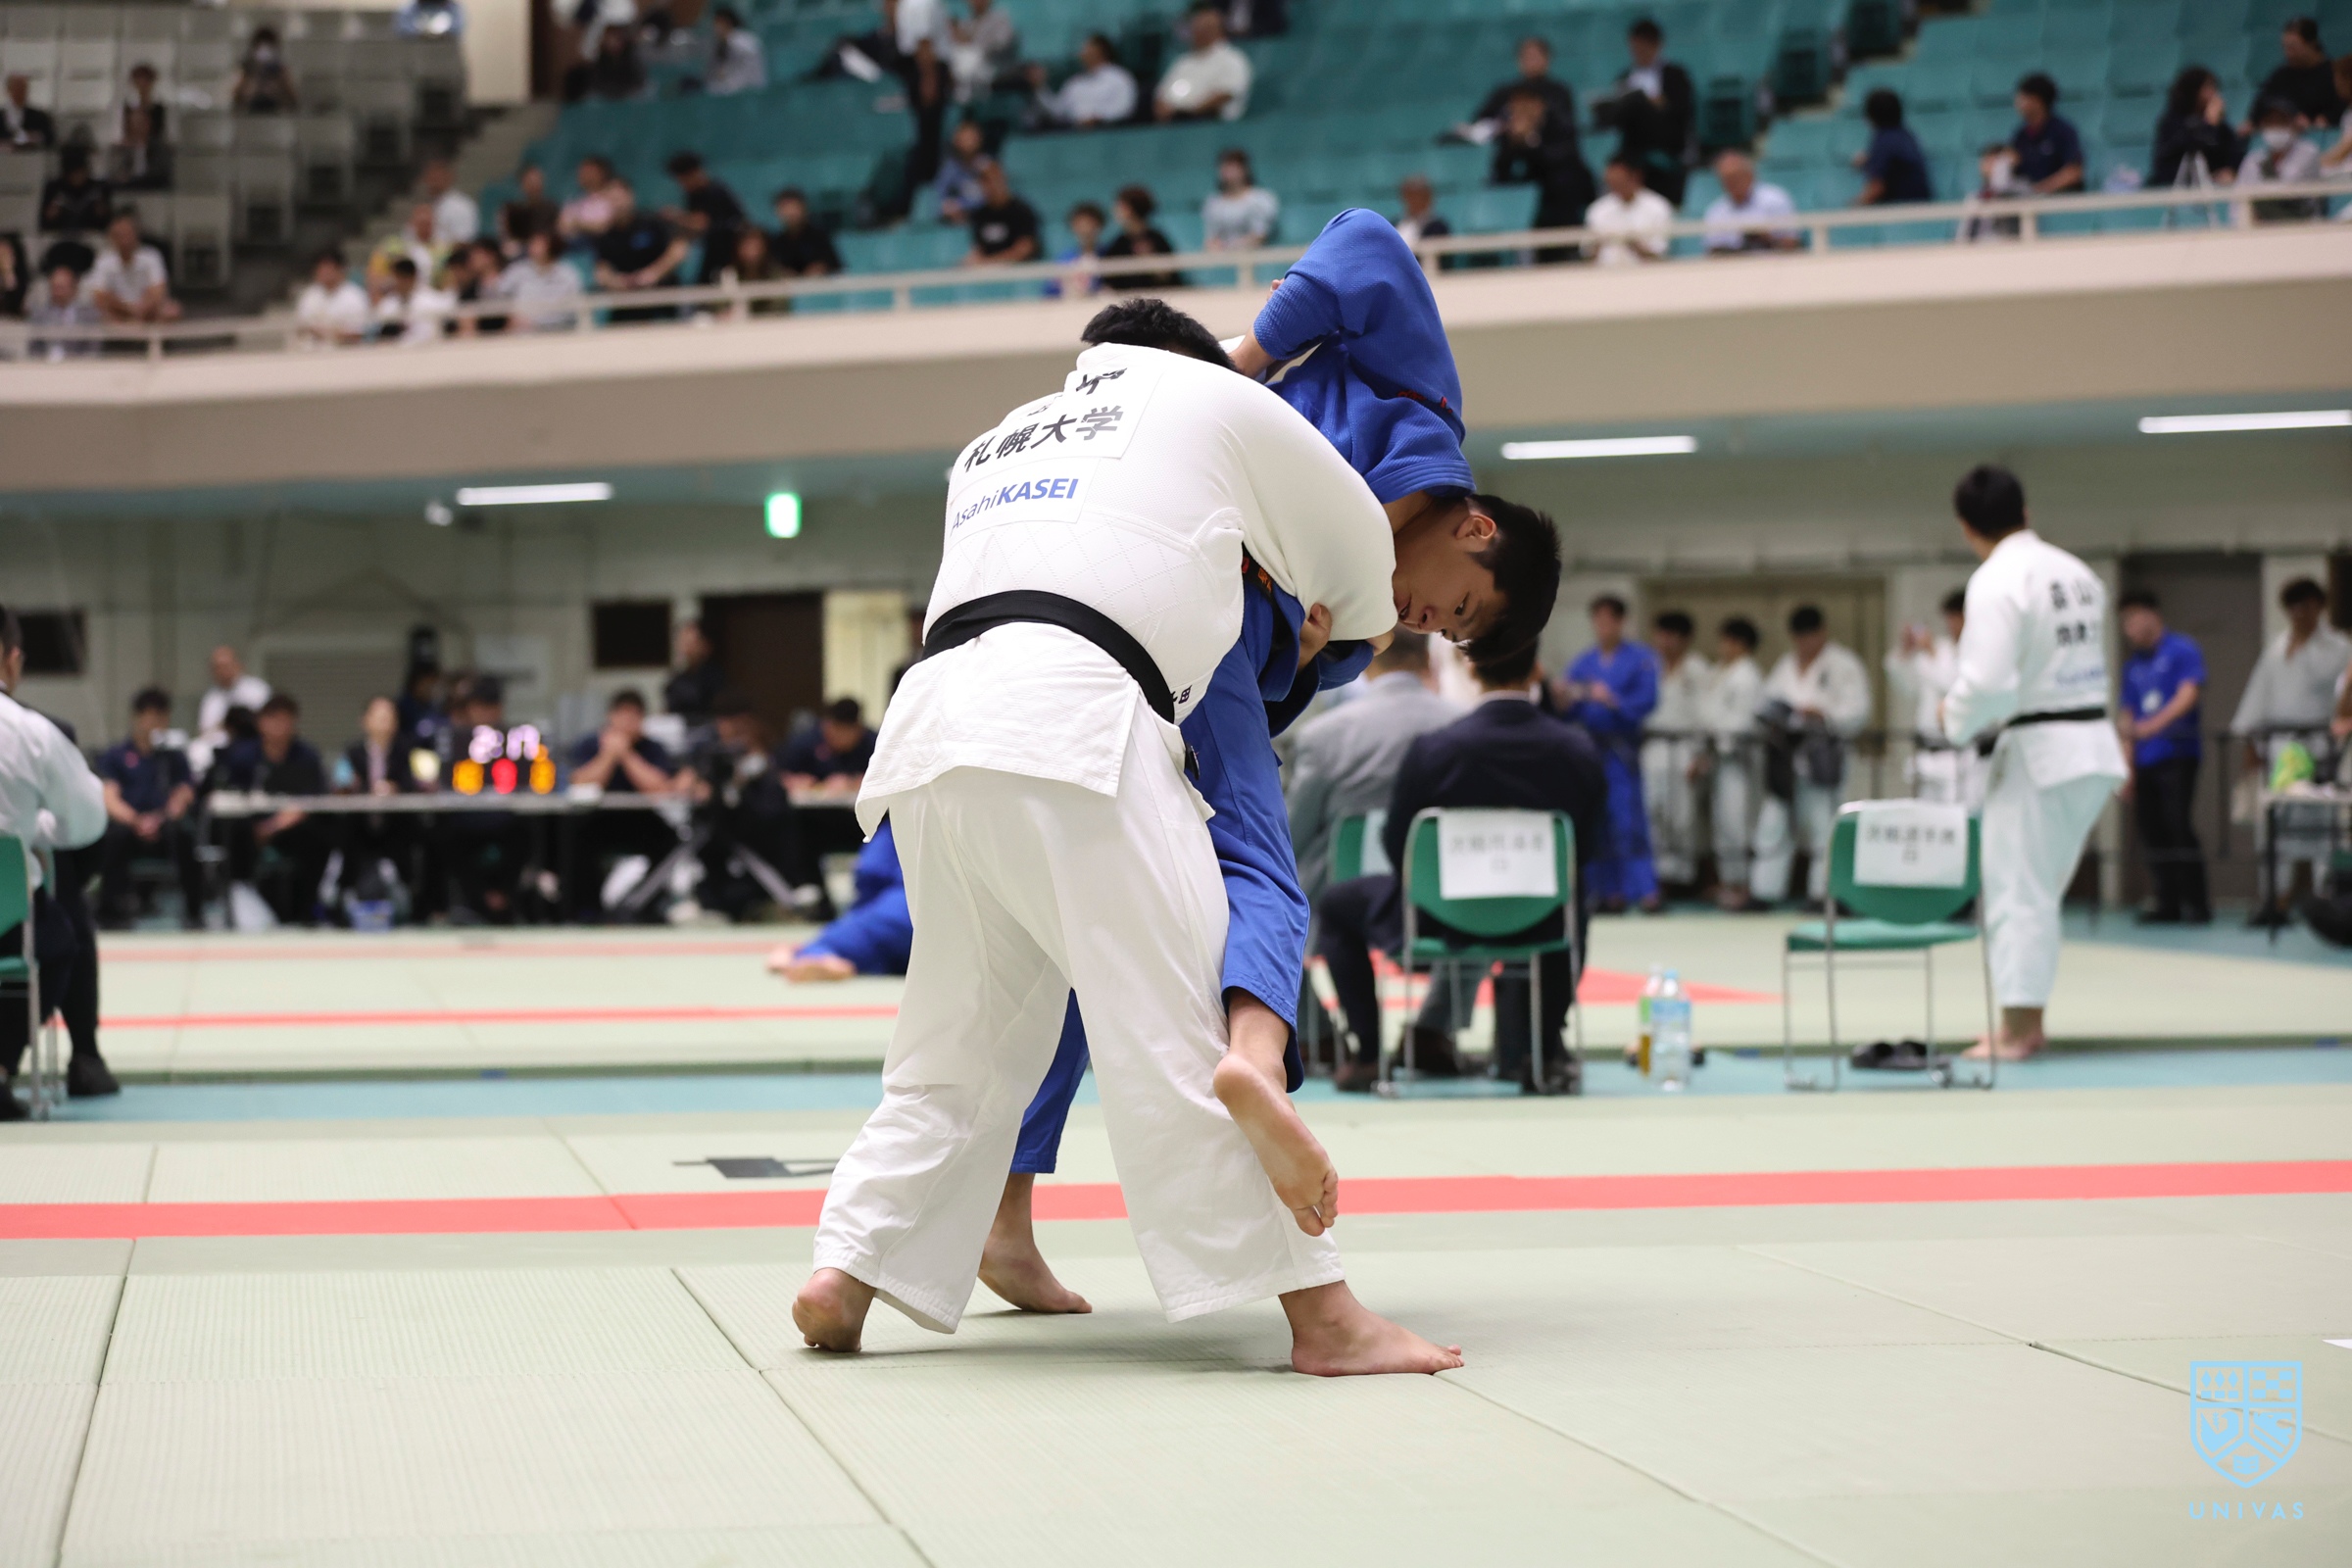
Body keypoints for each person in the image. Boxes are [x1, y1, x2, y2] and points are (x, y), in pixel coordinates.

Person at [795, 294, 1499, 1373]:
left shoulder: (999, 437)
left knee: (955, 1044)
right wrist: (1329, 635)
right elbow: (1363, 550)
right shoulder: (1219, 398)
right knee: (1179, 1027)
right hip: (1078, 720)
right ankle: (1326, 1318)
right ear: (1199, 358)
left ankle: (846, 1267)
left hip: (929, 730)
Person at [1316, 640, 1607, 1093]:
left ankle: (1369, 1055)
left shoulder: (1436, 748)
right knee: (1574, 890)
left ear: (1472, 673)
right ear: (1536, 671)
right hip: (1540, 920)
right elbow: (1586, 847)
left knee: (1337, 904)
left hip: (1437, 917)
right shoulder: (1577, 749)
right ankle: (1542, 1049)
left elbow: (1399, 844)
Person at [1940, 466, 2127, 1060]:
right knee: (2035, 892)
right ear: (2025, 512)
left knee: (2017, 892)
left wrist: (1952, 717)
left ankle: (2019, 1030)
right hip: (2090, 746)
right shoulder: (2077, 573)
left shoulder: (1996, 580)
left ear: (1966, 527)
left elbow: (1989, 684)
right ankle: (2024, 1020)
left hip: (2042, 752)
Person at [0, 604, 109, 1118]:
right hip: (8, 914)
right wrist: (35, 830)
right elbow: (87, 821)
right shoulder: (30, 732)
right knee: (56, 944)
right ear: (12, 659)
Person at [1285, 631, 1458, 908]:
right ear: (1428, 658)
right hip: (1438, 910)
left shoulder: (1323, 737)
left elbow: (1292, 839)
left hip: (1341, 912)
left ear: (1366, 665)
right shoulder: (1462, 725)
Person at [2231, 577, 2351, 924]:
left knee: (2322, 826)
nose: (2300, 613)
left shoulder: (2339, 648)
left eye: (2307, 606)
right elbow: (2258, 695)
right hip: (2278, 746)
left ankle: (2328, 899)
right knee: (2274, 825)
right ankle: (2274, 899)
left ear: (2320, 607)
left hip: (2320, 746)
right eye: (2294, 607)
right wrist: (2250, 741)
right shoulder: (2276, 647)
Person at [1749, 606, 1872, 906]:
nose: (1805, 643)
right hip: (1786, 755)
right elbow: (1767, 701)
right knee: (1774, 822)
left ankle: (1823, 894)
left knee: (1823, 824)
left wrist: (1823, 714)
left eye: (1810, 636)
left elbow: (1858, 711)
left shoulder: (1843, 664)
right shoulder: (1786, 664)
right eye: (1799, 637)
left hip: (1824, 754)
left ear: (1823, 632)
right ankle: (1764, 891)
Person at [1558, 595, 1659, 909]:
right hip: (1592, 750)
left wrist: (1611, 699)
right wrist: (1566, 697)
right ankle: (1608, 893)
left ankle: (1645, 891)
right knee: (1597, 822)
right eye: (1598, 620)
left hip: (1621, 750)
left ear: (1620, 622)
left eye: (1608, 620)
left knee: (1628, 822)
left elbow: (1647, 701)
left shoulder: (1640, 659)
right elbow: (1568, 705)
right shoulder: (1584, 662)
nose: (1602, 626)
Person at [2116, 588, 2209, 925]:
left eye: (2133, 618)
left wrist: (2152, 726)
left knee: (2178, 826)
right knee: (2151, 832)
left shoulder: (2183, 649)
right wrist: (2126, 766)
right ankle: (2167, 902)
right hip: (2145, 760)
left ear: (2151, 614)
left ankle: (2197, 903)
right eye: (2124, 622)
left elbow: (2188, 695)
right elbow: (2127, 716)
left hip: (2177, 755)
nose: (2129, 628)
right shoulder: (2132, 666)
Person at [215, 694, 333, 927]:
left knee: (320, 834)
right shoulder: (243, 756)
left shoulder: (307, 756)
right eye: (273, 719)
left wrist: (274, 826)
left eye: (285, 720)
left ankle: (307, 908)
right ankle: (240, 900)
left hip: (290, 827)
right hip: (251, 825)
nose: (279, 727)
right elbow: (229, 792)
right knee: (232, 832)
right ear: (261, 723)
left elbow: (312, 800)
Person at [565, 689, 684, 919]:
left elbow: (660, 788)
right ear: (610, 716)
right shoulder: (589, 744)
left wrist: (627, 755)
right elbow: (579, 783)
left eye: (634, 716)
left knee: (670, 842)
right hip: (597, 818)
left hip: (640, 819)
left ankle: (643, 905)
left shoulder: (653, 748)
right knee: (572, 841)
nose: (628, 722)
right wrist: (609, 755)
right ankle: (587, 910)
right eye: (623, 715)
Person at [95, 687, 204, 930]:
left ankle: (194, 911)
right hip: (130, 826)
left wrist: (163, 817)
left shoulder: (173, 757)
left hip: (163, 825)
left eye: (161, 717)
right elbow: (109, 797)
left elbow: (183, 792)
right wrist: (136, 821)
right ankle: (110, 911)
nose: (155, 723)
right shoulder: (116, 755)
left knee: (185, 836)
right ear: (137, 717)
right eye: (150, 716)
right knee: (114, 838)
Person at [767, 816, 910, 980]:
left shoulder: (897, 825)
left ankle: (809, 954)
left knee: (837, 944)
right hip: (925, 928)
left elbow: (871, 871)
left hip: (903, 909)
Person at [1886, 590, 1983, 808]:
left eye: (1954, 618)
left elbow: (1954, 685)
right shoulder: (1940, 649)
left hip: (1958, 755)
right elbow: (1906, 685)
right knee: (1926, 818)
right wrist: (1905, 651)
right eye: (1948, 618)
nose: (1950, 624)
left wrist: (1930, 653)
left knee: (1956, 816)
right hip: (1927, 751)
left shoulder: (1976, 652)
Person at [1593, 17, 1696, 208]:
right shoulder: (1625, 77)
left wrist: (1655, 104)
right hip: (1632, 147)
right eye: (1635, 48)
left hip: (1666, 144)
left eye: (1644, 47)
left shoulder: (1675, 75)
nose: (1639, 53)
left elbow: (1682, 112)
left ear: (1656, 45)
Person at [1642, 611, 1711, 892]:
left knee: (1683, 816)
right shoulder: (1648, 665)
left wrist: (1700, 755)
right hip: (1653, 746)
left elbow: (1706, 715)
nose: (1663, 641)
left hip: (1685, 748)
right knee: (1653, 811)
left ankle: (1684, 876)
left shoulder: (1697, 669)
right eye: (1660, 635)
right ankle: (1659, 877)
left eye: (1670, 636)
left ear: (1684, 639)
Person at [1700, 615, 1763, 909]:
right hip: (1719, 758)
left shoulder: (1747, 676)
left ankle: (1742, 885)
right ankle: (1728, 882)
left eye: (1727, 640)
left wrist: (1717, 739)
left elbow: (1742, 722)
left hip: (1739, 760)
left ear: (1741, 644)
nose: (1722, 646)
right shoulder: (1721, 672)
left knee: (1738, 823)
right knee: (1723, 824)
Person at [1491, 83, 1596, 238]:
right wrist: (1513, 143)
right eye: (1515, 107)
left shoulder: (1560, 125)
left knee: (1563, 183)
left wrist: (1529, 141)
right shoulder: (1509, 132)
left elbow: (1558, 160)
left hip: (1564, 190)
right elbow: (1500, 172)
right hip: (1533, 192)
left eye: (1526, 106)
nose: (1520, 112)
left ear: (1539, 105)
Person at [590, 180, 689, 319]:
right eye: (611, 200)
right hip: (628, 302)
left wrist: (653, 273)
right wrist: (617, 282)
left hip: (663, 296)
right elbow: (601, 270)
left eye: (619, 198)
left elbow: (679, 249)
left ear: (630, 197)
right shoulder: (605, 235)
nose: (617, 204)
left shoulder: (651, 222)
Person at [1463, 35, 1577, 144]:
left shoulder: (1559, 92)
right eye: (1526, 57)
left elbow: (1566, 127)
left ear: (1547, 59)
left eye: (1535, 56)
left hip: (1552, 154)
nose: (1531, 61)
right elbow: (1480, 121)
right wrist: (1507, 126)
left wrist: (1535, 122)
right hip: (1511, 153)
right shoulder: (1506, 92)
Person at [663, 152, 751, 286]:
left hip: (730, 248)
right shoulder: (693, 195)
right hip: (713, 247)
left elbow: (702, 223)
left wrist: (676, 216)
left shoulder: (714, 191)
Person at [1155, 1, 1251, 122]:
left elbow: (1227, 93)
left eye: (1204, 28)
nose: (1198, 32)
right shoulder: (1183, 62)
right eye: (1196, 28)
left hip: (1213, 123)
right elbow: (1161, 96)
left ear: (1217, 30)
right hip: (1177, 122)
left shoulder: (1232, 59)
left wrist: (1193, 110)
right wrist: (1166, 111)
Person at [2152, 67, 2244, 188]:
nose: (2213, 93)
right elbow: (2185, 151)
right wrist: (2208, 125)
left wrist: (2230, 170)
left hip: (2213, 186)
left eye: (2214, 87)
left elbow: (2233, 153)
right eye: (2207, 88)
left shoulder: (2221, 126)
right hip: (2176, 185)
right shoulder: (2173, 122)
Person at [2239, 97, 2327, 221]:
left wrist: (2257, 197)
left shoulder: (2308, 153)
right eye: (2270, 122)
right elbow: (2238, 198)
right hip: (2262, 228)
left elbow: (2286, 191)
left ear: (2294, 123)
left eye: (2281, 121)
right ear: (2263, 125)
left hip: (2303, 224)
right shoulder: (2253, 159)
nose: (2276, 127)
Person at [1027, 32, 1136, 128]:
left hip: (1110, 133)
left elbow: (1125, 108)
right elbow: (1058, 112)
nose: (1082, 53)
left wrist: (1098, 118)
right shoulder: (1075, 83)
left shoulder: (1120, 78)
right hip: (1076, 137)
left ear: (1099, 51)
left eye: (1086, 48)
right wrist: (1040, 87)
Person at [1585, 153, 1674, 266]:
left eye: (1620, 181)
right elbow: (1587, 255)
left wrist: (1633, 244)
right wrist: (1599, 243)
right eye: (1611, 182)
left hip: (1645, 273)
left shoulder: (1658, 207)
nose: (1615, 186)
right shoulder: (1598, 209)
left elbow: (1660, 254)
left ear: (1635, 176)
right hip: (1604, 273)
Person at [1703, 150, 1797, 253]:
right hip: (1734, 262)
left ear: (1750, 175)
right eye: (1727, 179)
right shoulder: (1716, 210)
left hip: (1773, 260)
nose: (1733, 183)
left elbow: (1792, 244)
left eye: (1736, 177)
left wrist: (1765, 238)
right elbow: (1713, 251)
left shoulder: (1776, 199)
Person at [2257, 17, 2343, 127]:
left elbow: (2342, 107)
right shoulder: (2281, 75)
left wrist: (2326, 119)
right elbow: (2263, 102)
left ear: (2311, 44)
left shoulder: (2335, 74)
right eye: (2285, 47)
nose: (2288, 53)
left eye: (2293, 47)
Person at [195, 646, 271, 770]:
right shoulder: (210, 699)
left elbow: (266, 723)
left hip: (255, 745)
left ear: (238, 665)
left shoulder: (258, 689)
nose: (222, 671)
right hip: (221, 750)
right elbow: (206, 732)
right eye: (218, 667)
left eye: (226, 665)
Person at [2010, 73, 2084, 196]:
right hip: (2030, 202)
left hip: (2061, 200)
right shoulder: (2021, 135)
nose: (2017, 103)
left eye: (2023, 97)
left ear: (2036, 100)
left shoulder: (2063, 131)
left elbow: (2074, 172)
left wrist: (2038, 190)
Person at [1855, 88, 1933, 205]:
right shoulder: (1907, 136)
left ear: (1871, 115)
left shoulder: (1883, 140)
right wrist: (1869, 161)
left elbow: (1876, 188)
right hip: (1923, 204)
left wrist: (1853, 206)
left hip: (1902, 208)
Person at [781, 698, 875, 791]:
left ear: (859, 730)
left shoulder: (873, 744)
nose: (841, 738)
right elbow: (783, 775)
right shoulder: (805, 743)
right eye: (837, 731)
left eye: (846, 732)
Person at [499, 229, 584, 331]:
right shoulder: (517, 270)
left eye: (539, 244)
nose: (533, 247)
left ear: (552, 246)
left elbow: (579, 304)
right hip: (522, 331)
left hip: (558, 331)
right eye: (532, 243)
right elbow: (499, 296)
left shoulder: (568, 273)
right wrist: (510, 316)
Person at [959, 161, 1040, 266]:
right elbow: (979, 249)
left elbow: (1025, 249)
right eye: (985, 181)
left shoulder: (1022, 211)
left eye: (994, 179)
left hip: (1020, 270)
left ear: (1003, 179)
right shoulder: (980, 214)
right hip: (990, 271)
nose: (991, 185)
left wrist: (991, 263)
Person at [1102, 184, 1181, 290]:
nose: (1115, 210)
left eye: (1120, 206)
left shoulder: (1157, 239)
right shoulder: (1119, 243)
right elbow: (1109, 279)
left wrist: (1150, 259)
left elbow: (1170, 277)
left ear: (1131, 209)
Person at [1201, 148, 1278, 251]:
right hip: (1223, 257)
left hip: (1257, 255)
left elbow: (1260, 236)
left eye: (1233, 167)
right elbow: (1211, 239)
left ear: (1244, 170)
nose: (1229, 173)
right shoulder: (1213, 203)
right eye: (1225, 167)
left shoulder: (1262, 199)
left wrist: (1233, 247)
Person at [944, 0, 1018, 102]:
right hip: (970, 70)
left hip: (994, 68)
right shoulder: (967, 22)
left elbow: (1001, 45)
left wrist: (970, 42)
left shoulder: (1000, 19)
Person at [295, 249, 371, 347]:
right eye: (320, 268)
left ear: (340, 269)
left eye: (328, 268)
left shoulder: (355, 296)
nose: (324, 272)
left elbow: (359, 333)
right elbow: (302, 328)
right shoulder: (310, 296)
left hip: (347, 351)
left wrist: (327, 334)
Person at [370, 203, 448, 298]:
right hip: (397, 296)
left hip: (431, 297)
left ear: (434, 225)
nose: (424, 227)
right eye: (421, 223)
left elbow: (450, 283)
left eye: (427, 223)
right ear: (412, 223)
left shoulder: (443, 250)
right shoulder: (391, 246)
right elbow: (375, 277)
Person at [24, 267, 103, 361]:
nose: (57, 293)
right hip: (45, 365)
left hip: (79, 365)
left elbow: (93, 347)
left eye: (61, 288)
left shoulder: (89, 315)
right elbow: (34, 348)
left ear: (74, 289)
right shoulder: (39, 315)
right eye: (54, 287)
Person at [372, 257, 455, 344]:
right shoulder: (388, 304)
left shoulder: (433, 300)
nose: (395, 282)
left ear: (410, 277)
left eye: (398, 277)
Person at [662, 619, 726, 725]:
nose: (686, 648)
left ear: (705, 645)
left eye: (691, 642)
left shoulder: (714, 677)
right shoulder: (677, 679)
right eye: (683, 642)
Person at [769, 188, 843, 277]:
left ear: (804, 208)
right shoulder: (776, 243)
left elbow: (836, 269)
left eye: (794, 208)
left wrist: (820, 269)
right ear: (778, 211)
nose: (791, 213)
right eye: (786, 208)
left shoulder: (820, 237)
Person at [704, 6, 768, 96]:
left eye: (716, 23)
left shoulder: (743, 42)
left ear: (725, 22)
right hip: (733, 92)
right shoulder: (719, 45)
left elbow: (745, 78)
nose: (713, 28)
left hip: (750, 93)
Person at [499, 167, 560, 261]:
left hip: (545, 249)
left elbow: (556, 233)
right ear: (522, 184)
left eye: (537, 180)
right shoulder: (512, 210)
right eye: (530, 181)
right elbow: (506, 236)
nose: (534, 185)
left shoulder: (552, 207)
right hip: (519, 251)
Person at [233, 26, 299, 114]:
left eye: (268, 46)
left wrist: (279, 75)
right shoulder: (248, 68)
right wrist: (251, 72)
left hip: (276, 113)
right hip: (251, 114)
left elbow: (292, 99)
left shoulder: (279, 68)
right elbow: (237, 98)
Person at [560, 156, 622, 246]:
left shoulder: (613, 197)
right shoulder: (574, 199)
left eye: (588, 171)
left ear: (601, 173)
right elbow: (562, 227)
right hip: (572, 246)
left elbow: (605, 227)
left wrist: (579, 224)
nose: (582, 174)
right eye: (582, 171)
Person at [1050, 199, 1107, 296]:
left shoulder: (1108, 255)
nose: (1085, 229)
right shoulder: (1064, 258)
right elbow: (1051, 290)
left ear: (1099, 225)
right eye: (1079, 224)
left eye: (1089, 223)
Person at [420, 157, 479, 247]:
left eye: (437, 176)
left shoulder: (462, 205)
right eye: (430, 175)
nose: (433, 180)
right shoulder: (425, 206)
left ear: (448, 177)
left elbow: (465, 241)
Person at [1393, 175, 1451, 248]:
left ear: (1428, 197)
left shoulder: (1438, 227)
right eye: (1410, 195)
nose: (1414, 200)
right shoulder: (1395, 224)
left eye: (1419, 196)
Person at [3, 74, 55, 149]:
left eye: (23, 88)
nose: (20, 92)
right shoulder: (2, 116)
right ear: (9, 90)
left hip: (32, 155)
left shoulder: (39, 116)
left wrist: (36, 137)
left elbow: (50, 139)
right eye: (17, 88)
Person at [397, 0, 466, 36]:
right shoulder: (409, 10)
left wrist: (442, 34)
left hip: (447, 52)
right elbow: (403, 28)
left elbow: (458, 28)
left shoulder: (453, 8)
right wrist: (423, 34)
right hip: (417, 52)